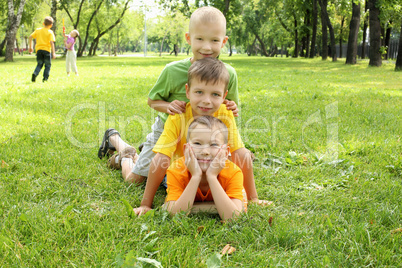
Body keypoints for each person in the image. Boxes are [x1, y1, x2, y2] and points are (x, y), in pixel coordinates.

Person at [163, 116, 246, 221]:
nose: (205, 151)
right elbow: (175, 215)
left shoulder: (233, 172)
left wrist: (212, 177)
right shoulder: (176, 170)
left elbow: (233, 218)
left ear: (225, 152)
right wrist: (195, 176)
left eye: (214, 144)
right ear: (186, 149)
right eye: (197, 143)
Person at [29, 16, 56, 82]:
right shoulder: (50, 32)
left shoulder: (38, 30)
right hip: (46, 51)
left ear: (43, 23)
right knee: (47, 65)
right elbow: (51, 42)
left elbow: (30, 36)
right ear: (51, 25)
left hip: (39, 50)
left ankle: (35, 73)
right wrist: (53, 53)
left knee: (39, 64)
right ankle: (45, 79)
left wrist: (30, 47)